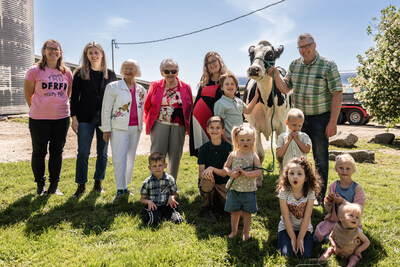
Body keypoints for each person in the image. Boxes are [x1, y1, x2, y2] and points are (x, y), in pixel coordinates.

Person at [269, 33, 343, 204]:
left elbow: (337, 93)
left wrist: (332, 122)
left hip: (320, 119)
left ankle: (318, 196)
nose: (304, 50)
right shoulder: (294, 65)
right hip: (299, 121)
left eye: (306, 46)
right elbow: (286, 88)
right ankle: (296, 193)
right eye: (300, 47)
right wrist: (275, 76)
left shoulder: (328, 65)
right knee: (295, 157)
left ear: (314, 44)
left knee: (320, 158)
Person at [24, 39, 73, 196]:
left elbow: (67, 93)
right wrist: (37, 108)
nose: (53, 51)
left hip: (61, 118)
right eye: (50, 49)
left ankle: (54, 186)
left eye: (56, 49)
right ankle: (40, 185)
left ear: (60, 52)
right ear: (44, 51)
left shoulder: (66, 72)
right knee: (39, 152)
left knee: (57, 151)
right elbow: (28, 94)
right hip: (39, 119)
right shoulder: (34, 70)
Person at [70, 41, 117, 197]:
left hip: (105, 119)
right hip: (85, 118)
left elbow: (115, 98)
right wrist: (74, 118)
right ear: (86, 55)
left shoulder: (110, 74)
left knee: (102, 152)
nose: (94, 55)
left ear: (102, 54)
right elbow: (74, 97)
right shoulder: (80, 73)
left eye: (97, 52)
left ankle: (98, 183)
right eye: (90, 53)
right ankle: (81, 185)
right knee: (83, 152)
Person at [100, 59, 147, 201]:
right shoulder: (113, 87)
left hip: (135, 128)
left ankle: (125, 186)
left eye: (131, 68)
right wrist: (106, 129)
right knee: (119, 158)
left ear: (136, 71)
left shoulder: (141, 90)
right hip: (118, 127)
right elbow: (106, 109)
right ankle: (120, 190)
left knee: (130, 158)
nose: (128, 71)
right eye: (126, 68)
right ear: (122, 70)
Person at [144, 58, 193, 180]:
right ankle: (155, 184)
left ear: (177, 72)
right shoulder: (155, 86)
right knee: (157, 156)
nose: (170, 74)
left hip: (179, 126)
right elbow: (147, 105)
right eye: (167, 71)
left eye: (173, 71)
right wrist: (148, 123)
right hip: (160, 124)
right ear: (162, 72)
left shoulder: (186, 87)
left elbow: (190, 107)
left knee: (175, 157)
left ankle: (171, 186)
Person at [314, 154, 366, 243]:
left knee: (349, 238)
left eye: (348, 168)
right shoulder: (333, 186)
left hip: (351, 223)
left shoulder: (357, 189)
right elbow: (329, 210)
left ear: (353, 170)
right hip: (335, 221)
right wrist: (328, 201)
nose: (344, 171)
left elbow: (359, 210)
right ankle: (333, 237)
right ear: (336, 169)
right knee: (317, 237)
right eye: (341, 168)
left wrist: (343, 202)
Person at [276, 157, 321, 258]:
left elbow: (307, 217)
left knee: (305, 255)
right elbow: (286, 218)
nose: (295, 177)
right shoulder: (284, 192)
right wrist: (293, 238)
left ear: (306, 177)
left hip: (304, 228)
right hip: (286, 227)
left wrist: (300, 238)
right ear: (286, 175)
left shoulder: (310, 192)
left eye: (299, 174)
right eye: (291, 173)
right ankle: (287, 239)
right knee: (286, 254)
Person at [223, 124, 262, 241]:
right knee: (234, 212)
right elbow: (226, 167)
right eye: (242, 140)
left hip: (248, 190)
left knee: (247, 212)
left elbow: (259, 171)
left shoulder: (253, 156)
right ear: (237, 140)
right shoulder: (233, 154)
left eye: (249, 140)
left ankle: (246, 232)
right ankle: (234, 231)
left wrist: (247, 174)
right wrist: (231, 173)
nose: (245, 142)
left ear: (254, 140)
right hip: (234, 189)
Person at [190, 52, 229, 156]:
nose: (211, 64)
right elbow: (197, 99)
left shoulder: (227, 79)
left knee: (218, 151)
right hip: (198, 122)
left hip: (216, 122)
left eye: (213, 61)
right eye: (208, 63)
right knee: (203, 153)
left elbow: (234, 100)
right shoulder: (205, 80)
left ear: (219, 62)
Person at [198, 116, 232, 223]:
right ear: (207, 129)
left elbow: (225, 173)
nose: (214, 130)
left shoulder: (229, 148)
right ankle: (207, 208)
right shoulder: (203, 149)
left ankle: (217, 201)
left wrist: (212, 168)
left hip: (223, 185)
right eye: (211, 128)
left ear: (223, 130)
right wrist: (207, 174)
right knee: (206, 179)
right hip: (209, 183)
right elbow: (201, 174)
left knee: (234, 211)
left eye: (218, 128)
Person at [214, 72, 259, 144]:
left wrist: (256, 97)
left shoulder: (238, 101)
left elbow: (248, 110)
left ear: (236, 87)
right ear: (222, 87)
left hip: (239, 140)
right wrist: (226, 143)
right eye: (227, 84)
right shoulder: (220, 104)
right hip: (228, 141)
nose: (230, 86)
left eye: (232, 84)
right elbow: (218, 126)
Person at [140, 152, 184, 225]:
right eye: (154, 166)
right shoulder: (147, 182)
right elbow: (142, 199)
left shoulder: (170, 179)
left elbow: (175, 194)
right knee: (154, 222)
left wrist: (172, 197)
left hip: (167, 205)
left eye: (160, 165)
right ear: (149, 168)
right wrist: (148, 202)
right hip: (154, 206)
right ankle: (147, 213)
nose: (157, 168)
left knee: (178, 221)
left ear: (165, 165)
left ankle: (167, 215)